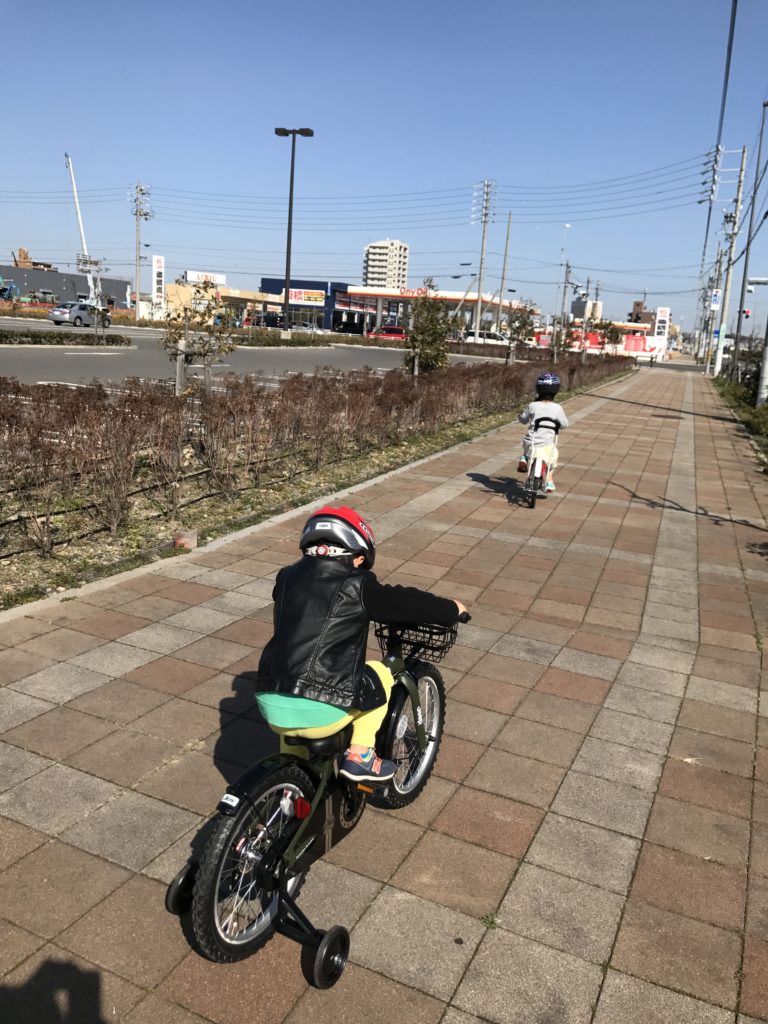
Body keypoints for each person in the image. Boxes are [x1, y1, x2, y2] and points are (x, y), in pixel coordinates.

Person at [255, 506, 467, 784]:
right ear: (356, 555)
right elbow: (406, 602)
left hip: (270, 701)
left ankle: (287, 786)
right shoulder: (358, 584)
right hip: (323, 708)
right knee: (379, 674)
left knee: (298, 760)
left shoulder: (285, 578)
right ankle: (361, 755)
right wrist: (452, 608)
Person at [517, 372, 569, 493]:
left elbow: (523, 419)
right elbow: (564, 424)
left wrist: (521, 416)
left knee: (526, 443)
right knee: (552, 458)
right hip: (547, 445)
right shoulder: (557, 408)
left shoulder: (532, 405)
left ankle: (524, 458)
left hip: (532, 443)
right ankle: (549, 480)